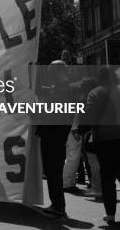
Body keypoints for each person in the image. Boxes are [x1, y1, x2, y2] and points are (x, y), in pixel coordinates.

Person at [80, 66, 120, 227]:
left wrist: (83, 130)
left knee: (108, 178)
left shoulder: (96, 93)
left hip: (106, 140)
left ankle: (111, 216)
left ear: (100, 78)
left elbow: (90, 115)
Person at [36, 60, 74, 218]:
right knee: (53, 170)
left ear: (58, 71)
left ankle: (58, 206)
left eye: (51, 70)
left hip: (54, 134)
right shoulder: (61, 87)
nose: (48, 73)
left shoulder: (63, 89)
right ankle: (57, 204)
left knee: (53, 170)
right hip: (55, 133)